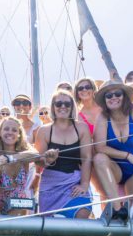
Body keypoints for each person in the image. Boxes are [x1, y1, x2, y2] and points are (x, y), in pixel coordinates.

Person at [92, 80, 133, 220]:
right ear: (104, 100)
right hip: (115, 170)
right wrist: (128, 155)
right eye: (108, 96)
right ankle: (117, 210)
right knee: (99, 158)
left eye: (118, 93)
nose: (113, 97)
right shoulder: (103, 118)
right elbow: (100, 147)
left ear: (124, 96)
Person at [35, 89, 93, 219]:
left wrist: (84, 184)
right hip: (51, 185)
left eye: (67, 104)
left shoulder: (82, 128)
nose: (63, 107)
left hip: (74, 183)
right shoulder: (44, 131)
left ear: (72, 107)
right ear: (53, 107)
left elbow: (87, 158)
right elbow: (38, 162)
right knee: (52, 234)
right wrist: (48, 160)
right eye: (58, 103)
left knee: (82, 213)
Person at [0, 117, 56, 215]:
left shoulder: (24, 155)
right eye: (6, 129)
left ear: (19, 135)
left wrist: (10, 158)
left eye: (14, 130)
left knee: (14, 228)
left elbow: (36, 155)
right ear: (0, 133)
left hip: (17, 204)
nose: (10, 132)